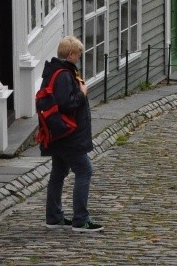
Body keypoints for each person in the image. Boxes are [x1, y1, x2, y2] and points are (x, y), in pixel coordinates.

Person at [41, 36, 103, 232]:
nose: (80, 57)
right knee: (84, 171)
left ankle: (54, 217)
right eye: (79, 53)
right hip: (68, 134)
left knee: (58, 173)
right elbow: (67, 103)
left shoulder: (52, 72)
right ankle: (80, 219)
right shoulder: (64, 76)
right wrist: (82, 92)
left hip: (57, 133)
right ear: (71, 54)